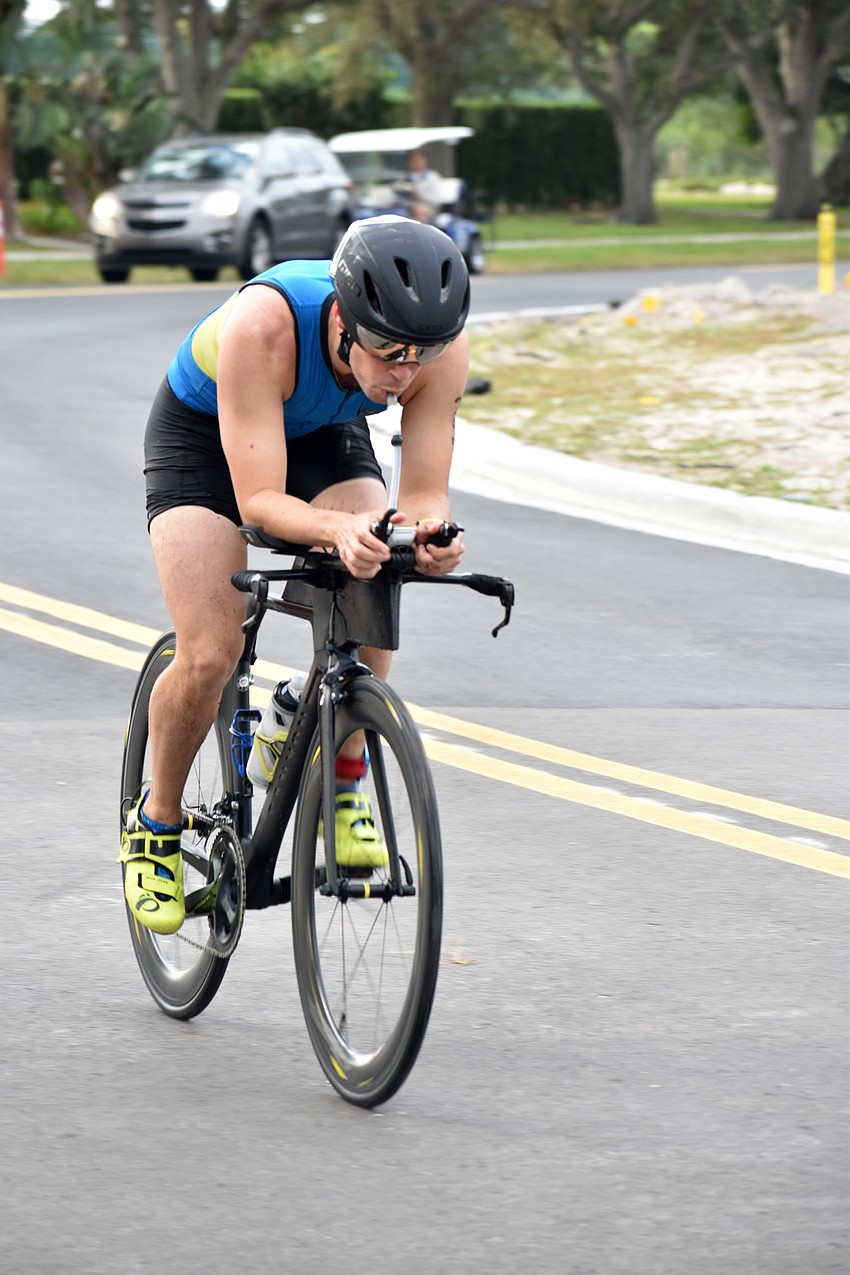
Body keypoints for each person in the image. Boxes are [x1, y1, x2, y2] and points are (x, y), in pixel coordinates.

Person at [119, 215, 470, 935]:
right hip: (204, 434)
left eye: (422, 355)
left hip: (318, 431)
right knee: (211, 650)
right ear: (342, 322)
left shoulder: (433, 346)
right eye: (390, 353)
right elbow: (259, 503)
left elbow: (425, 492)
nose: (405, 374)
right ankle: (156, 821)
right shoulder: (266, 323)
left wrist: (427, 536)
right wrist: (339, 530)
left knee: (380, 569)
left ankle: (335, 765)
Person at [405, 148, 444, 223]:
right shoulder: (404, 176)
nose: (415, 163)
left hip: (429, 207)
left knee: (419, 209)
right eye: (413, 161)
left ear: (425, 161)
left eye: (418, 160)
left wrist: (419, 194)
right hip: (406, 205)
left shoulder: (432, 177)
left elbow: (437, 198)